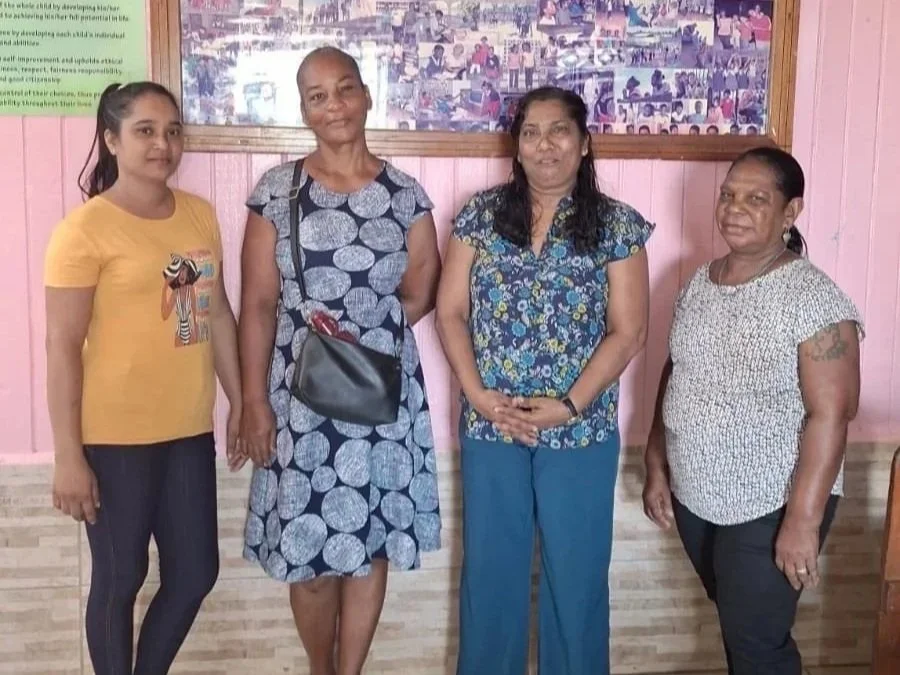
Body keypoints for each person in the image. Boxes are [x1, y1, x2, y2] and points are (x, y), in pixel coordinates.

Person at [238, 47, 442, 675]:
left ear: (367, 96)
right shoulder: (279, 191)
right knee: (311, 551)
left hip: (380, 393)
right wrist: (252, 402)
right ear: (302, 109)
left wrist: (365, 335)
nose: (334, 106)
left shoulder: (405, 194)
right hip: (299, 397)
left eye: (344, 89)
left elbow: (423, 286)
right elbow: (259, 301)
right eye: (317, 96)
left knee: (370, 544)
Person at [436, 86, 653, 675]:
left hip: (578, 432)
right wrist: (478, 395)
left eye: (559, 131)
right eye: (530, 132)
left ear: (584, 144)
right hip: (493, 423)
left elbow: (629, 331)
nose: (544, 144)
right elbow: (449, 310)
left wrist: (570, 405)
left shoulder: (616, 224)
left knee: (577, 580)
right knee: (491, 574)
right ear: (517, 146)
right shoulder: (481, 216)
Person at [45, 82, 243, 675]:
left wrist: (241, 401)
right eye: (145, 131)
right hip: (113, 437)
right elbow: (60, 346)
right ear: (111, 140)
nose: (163, 144)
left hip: (186, 429)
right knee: (120, 577)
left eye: (172, 130)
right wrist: (67, 456)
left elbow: (219, 313)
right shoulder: (84, 231)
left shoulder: (200, 214)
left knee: (194, 574)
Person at [642, 148, 863, 675]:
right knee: (743, 629)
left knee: (758, 646)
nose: (734, 208)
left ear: (790, 213)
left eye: (756, 199)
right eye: (728, 195)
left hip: (771, 502)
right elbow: (677, 372)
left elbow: (833, 413)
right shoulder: (700, 281)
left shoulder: (813, 298)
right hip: (698, 496)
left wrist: (803, 522)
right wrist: (657, 463)